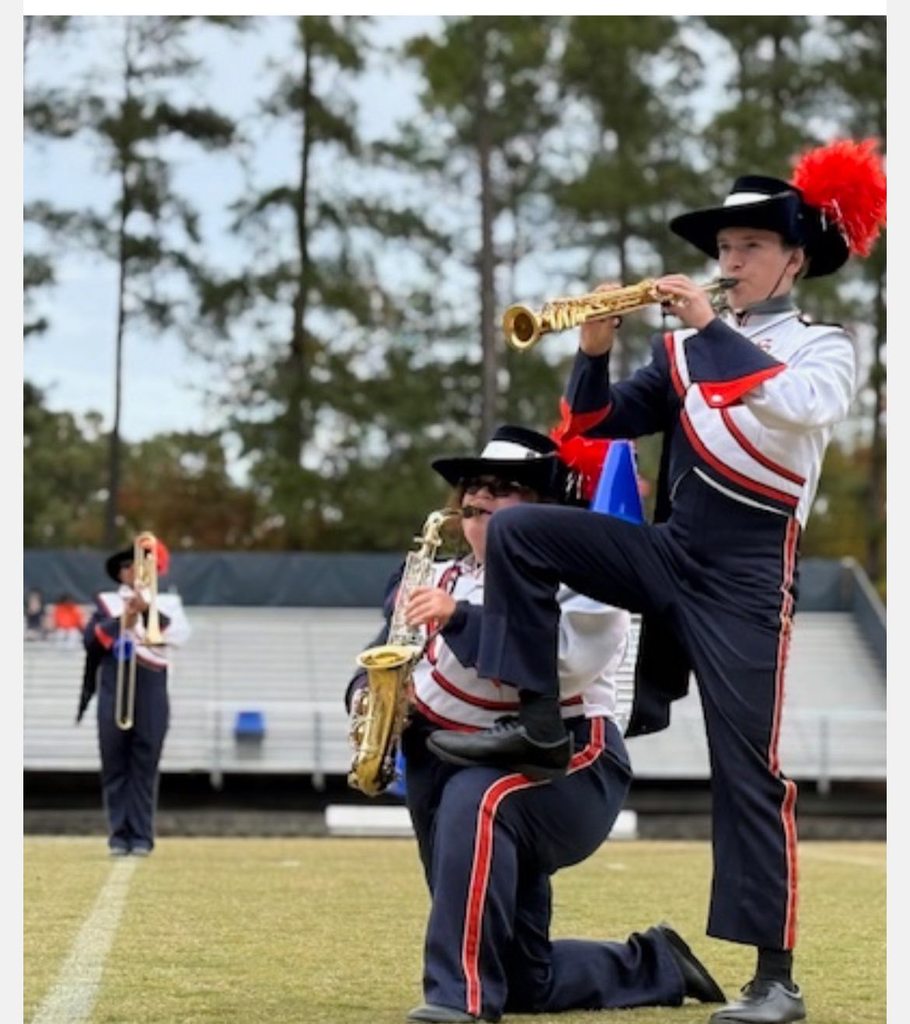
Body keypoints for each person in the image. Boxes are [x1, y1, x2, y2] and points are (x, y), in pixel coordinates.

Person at [427, 139, 887, 1024]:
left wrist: (705, 327)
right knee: (520, 528)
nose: (731, 262)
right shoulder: (682, 354)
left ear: (794, 258)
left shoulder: (826, 346)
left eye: (751, 247)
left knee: (749, 770)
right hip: (673, 551)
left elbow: (796, 407)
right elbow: (593, 427)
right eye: (725, 248)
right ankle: (539, 724)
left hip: (750, 573)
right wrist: (593, 350)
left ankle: (774, 979)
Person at [346, 425, 726, 1024]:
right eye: (474, 488)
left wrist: (459, 618)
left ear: (546, 506)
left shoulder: (584, 580)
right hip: (442, 754)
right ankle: (656, 965)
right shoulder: (434, 576)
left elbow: (564, 665)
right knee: (522, 978)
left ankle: (458, 998)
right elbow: (383, 652)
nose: (481, 500)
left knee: (479, 799)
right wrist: (371, 700)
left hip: (567, 759)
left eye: (506, 489)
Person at [79, 536, 191, 856]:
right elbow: (91, 641)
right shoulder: (106, 602)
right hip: (114, 683)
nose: (134, 571)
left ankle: (142, 836)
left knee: (145, 762)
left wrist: (148, 610)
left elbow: (180, 635)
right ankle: (119, 835)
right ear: (120, 572)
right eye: (128, 566)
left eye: (141, 566)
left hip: (152, 684)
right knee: (114, 761)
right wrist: (123, 621)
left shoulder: (169, 603)